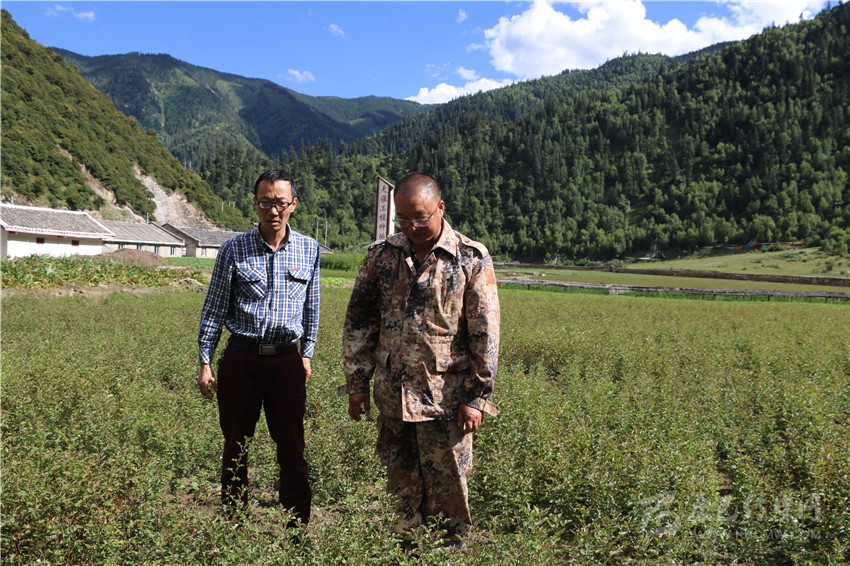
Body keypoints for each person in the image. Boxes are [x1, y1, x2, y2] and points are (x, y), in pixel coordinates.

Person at [341, 172, 500, 550]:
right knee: (401, 486)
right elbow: (360, 321)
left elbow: (485, 332)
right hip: (393, 398)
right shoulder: (381, 256)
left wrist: (476, 397)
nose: (411, 226)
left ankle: (450, 551)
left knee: (449, 488)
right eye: (403, 218)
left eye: (420, 217)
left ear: (440, 208)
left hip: (446, 401)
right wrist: (357, 383)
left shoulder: (469, 258)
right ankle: (407, 551)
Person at [197, 169, 320, 527]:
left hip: (286, 360)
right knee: (235, 444)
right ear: (255, 203)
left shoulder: (309, 249)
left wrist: (307, 353)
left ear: (293, 204)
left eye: (280, 202)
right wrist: (205, 361)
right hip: (242, 358)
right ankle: (234, 522)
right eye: (265, 203)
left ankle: (297, 527)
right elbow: (214, 309)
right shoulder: (234, 249)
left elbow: (312, 308)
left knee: (292, 447)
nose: (273, 210)